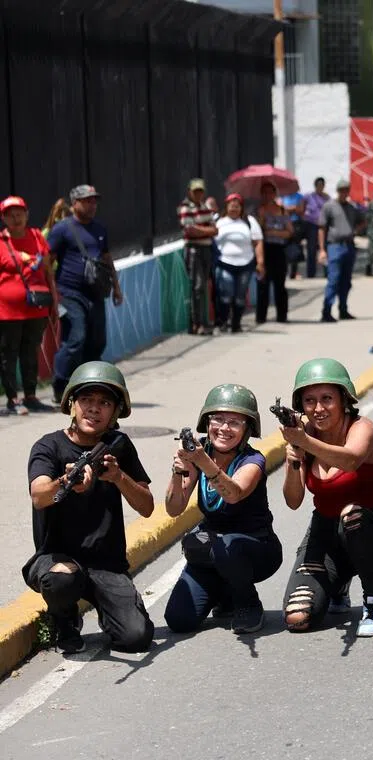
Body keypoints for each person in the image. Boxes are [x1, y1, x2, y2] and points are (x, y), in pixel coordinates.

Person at [24, 361, 154, 654]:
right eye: (86, 400)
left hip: (106, 563)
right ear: (72, 404)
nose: (94, 409)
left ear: (115, 412)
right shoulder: (48, 447)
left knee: (136, 637)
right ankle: (63, 618)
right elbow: (39, 495)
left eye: (104, 403)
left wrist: (119, 478)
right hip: (56, 558)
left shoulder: (118, 445)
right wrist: (65, 480)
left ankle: (110, 612)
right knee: (61, 580)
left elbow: (146, 506)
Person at [280, 359, 373, 637]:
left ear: (344, 399)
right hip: (326, 533)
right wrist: (294, 461)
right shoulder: (304, 437)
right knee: (298, 617)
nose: (318, 409)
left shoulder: (362, 428)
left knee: (352, 514)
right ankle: (338, 582)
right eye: (309, 401)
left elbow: (352, 460)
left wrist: (305, 442)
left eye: (327, 398)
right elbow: (293, 501)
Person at [164, 384, 282, 635]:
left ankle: (249, 604)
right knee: (179, 619)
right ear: (206, 423)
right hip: (213, 549)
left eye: (234, 422)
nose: (224, 428)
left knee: (226, 547)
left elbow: (234, 494)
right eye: (218, 419)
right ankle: (225, 592)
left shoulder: (253, 460)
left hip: (255, 549)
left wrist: (201, 461)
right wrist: (177, 471)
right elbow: (174, 508)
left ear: (247, 430)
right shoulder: (198, 453)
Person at [47, 185, 124, 406]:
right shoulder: (62, 229)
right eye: (87, 201)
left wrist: (116, 287)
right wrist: (53, 294)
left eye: (94, 201)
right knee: (75, 338)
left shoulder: (99, 228)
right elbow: (47, 261)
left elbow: (107, 258)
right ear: (75, 203)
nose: (92, 205)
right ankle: (60, 384)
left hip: (96, 293)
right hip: (69, 293)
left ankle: (89, 382)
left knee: (97, 341)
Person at [0, 196, 57, 415]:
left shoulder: (36, 237)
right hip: (7, 311)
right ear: (4, 218)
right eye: (11, 215)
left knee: (31, 352)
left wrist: (54, 299)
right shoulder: (2, 242)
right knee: (8, 354)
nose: (16, 219)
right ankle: (13, 399)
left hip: (36, 306)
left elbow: (48, 271)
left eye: (20, 214)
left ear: (27, 215)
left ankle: (31, 396)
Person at [213, 194, 264, 334]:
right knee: (225, 294)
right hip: (225, 263)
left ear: (241, 208)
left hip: (245, 264)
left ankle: (236, 324)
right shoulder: (219, 221)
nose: (234, 208)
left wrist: (260, 262)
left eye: (237, 206)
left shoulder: (249, 222)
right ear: (226, 207)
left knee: (240, 297)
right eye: (231, 206)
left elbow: (258, 241)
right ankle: (223, 322)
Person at [317, 179, 366, 323]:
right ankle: (326, 311)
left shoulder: (351, 208)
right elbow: (321, 228)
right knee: (334, 279)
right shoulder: (329, 206)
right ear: (337, 191)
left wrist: (355, 230)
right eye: (341, 190)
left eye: (346, 190)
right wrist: (322, 249)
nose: (344, 193)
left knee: (346, 280)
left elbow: (362, 220)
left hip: (349, 246)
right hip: (335, 246)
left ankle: (343, 309)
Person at [177, 178, 218, 336]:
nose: (199, 194)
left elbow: (215, 230)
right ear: (189, 192)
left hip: (206, 249)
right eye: (196, 191)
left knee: (203, 286)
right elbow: (189, 231)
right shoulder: (185, 208)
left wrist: (200, 229)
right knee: (198, 286)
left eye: (201, 191)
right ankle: (197, 323)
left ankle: (203, 321)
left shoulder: (204, 207)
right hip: (193, 249)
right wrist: (206, 229)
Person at [255, 182, 292, 324]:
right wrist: (263, 218)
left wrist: (274, 232)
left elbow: (289, 231)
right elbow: (258, 231)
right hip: (265, 249)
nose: (268, 195)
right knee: (263, 284)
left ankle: (282, 315)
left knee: (280, 285)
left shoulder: (282, 211)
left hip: (279, 250)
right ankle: (261, 316)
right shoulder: (259, 210)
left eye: (270, 192)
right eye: (264, 192)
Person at [300, 178, 330, 279]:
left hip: (323, 226)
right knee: (311, 249)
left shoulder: (326, 198)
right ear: (315, 186)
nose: (320, 187)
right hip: (311, 225)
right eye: (318, 185)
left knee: (324, 248)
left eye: (322, 185)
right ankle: (311, 273)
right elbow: (301, 208)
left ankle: (327, 272)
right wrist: (304, 217)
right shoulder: (309, 196)